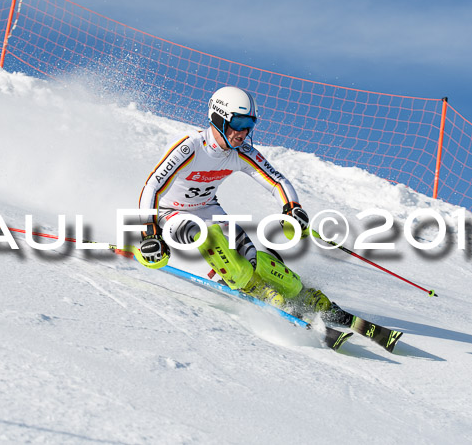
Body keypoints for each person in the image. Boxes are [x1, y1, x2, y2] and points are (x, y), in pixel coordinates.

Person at [136, 86, 350, 324]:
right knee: (207, 236)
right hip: (170, 212)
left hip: (208, 208)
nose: (243, 132)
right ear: (218, 118)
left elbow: (276, 180)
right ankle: (254, 288)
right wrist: (149, 231)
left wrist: (292, 208)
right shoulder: (190, 147)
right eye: (237, 123)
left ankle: (302, 295)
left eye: (249, 124)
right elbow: (153, 186)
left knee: (251, 257)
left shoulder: (241, 152)